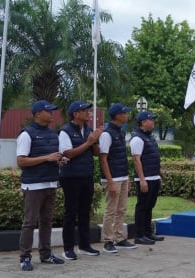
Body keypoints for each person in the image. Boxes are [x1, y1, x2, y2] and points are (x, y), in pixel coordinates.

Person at [17, 100, 66, 271]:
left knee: (47, 221)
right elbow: (21, 160)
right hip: (33, 185)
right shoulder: (26, 134)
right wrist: (47, 158)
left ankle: (46, 254)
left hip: (51, 182)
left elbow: (53, 156)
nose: (52, 114)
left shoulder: (54, 134)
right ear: (38, 113)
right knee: (30, 222)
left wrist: (60, 159)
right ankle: (25, 258)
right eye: (48, 111)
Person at [58, 101, 103, 260]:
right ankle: (68, 248)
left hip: (86, 175)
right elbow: (68, 154)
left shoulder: (89, 130)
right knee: (71, 212)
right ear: (76, 114)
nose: (88, 113)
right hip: (70, 177)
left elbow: (96, 153)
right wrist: (88, 142)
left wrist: (96, 141)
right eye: (84, 110)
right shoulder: (65, 131)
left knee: (85, 212)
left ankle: (84, 245)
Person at [99, 103, 137, 253]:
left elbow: (121, 157)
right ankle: (108, 241)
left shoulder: (120, 133)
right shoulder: (107, 134)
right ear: (117, 116)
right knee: (111, 210)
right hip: (112, 178)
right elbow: (103, 159)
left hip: (121, 176)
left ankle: (119, 237)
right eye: (124, 113)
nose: (127, 115)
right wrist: (110, 182)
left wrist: (126, 178)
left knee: (121, 209)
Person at [131, 111, 165, 245]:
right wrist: (142, 179)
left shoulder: (150, 137)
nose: (153, 122)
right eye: (151, 119)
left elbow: (155, 158)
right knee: (142, 206)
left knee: (150, 206)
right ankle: (139, 235)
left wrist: (158, 175)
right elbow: (136, 160)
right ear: (143, 122)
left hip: (153, 177)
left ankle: (148, 232)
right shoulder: (137, 138)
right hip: (144, 179)